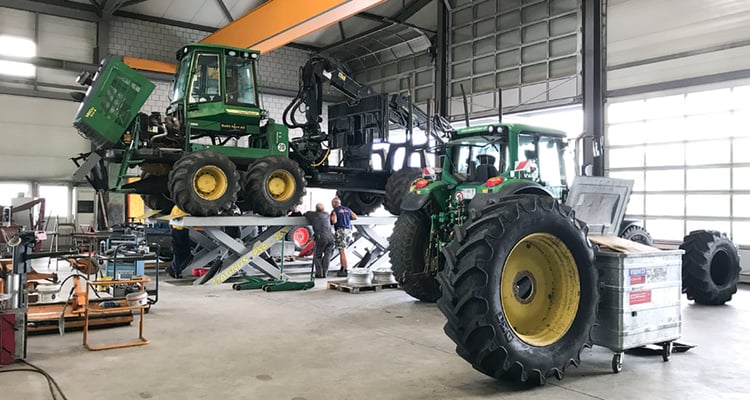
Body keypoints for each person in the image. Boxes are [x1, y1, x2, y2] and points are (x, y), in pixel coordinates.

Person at [304, 203, 334, 278]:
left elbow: (306, 213)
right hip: (330, 237)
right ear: (323, 209)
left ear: (316, 209)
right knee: (327, 255)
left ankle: (319, 273)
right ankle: (325, 272)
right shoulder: (327, 214)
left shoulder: (313, 215)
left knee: (317, 255)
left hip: (321, 237)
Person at [330, 197, 357, 277]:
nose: (331, 205)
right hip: (349, 231)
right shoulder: (347, 209)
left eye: (332, 203)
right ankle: (343, 267)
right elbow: (355, 217)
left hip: (341, 231)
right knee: (344, 250)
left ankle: (344, 269)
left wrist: (331, 218)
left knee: (342, 251)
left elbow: (334, 221)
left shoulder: (335, 210)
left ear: (334, 203)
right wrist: (346, 218)